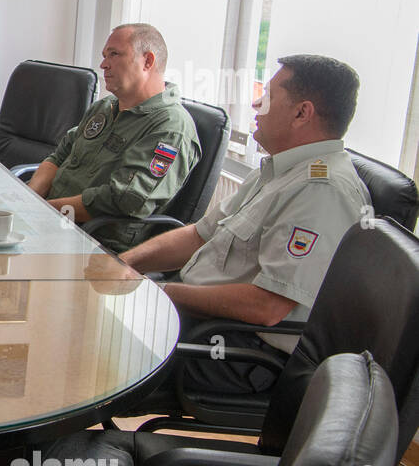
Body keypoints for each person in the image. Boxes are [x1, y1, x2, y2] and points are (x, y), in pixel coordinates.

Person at [121, 54, 369, 391]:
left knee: (94, 346)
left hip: (237, 352)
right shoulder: (279, 171)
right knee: (88, 314)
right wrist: (124, 264)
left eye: (267, 96)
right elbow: (198, 235)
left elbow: (267, 307)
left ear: (302, 112)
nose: (255, 103)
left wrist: (162, 293)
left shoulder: (322, 190)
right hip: (197, 317)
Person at [28, 23, 201, 252]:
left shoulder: (170, 127)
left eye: (114, 54)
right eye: (104, 56)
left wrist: (41, 211)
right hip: (50, 221)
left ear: (148, 61)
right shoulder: (105, 107)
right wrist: (28, 199)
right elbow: (60, 155)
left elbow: (123, 199)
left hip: (92, 242)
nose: (103, 64)